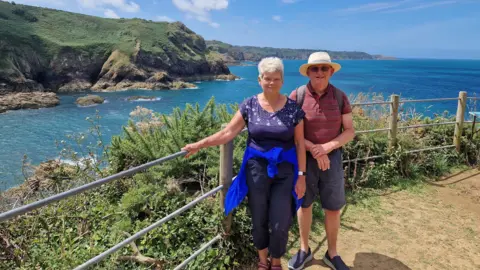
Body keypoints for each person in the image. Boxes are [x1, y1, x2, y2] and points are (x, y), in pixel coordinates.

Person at [182, 57, 307, 270]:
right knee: (258, 217)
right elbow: (228, 132)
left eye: (276, 79)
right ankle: (262, 260)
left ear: (282, 80)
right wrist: (199, 144)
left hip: (285, 170)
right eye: (267, 78)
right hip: (256, 169)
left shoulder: (293, 109)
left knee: (280, 222)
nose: (271, 83)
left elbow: (300, 143)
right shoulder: (249, 105)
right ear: (259, 79)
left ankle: (276, 262)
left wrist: (302, 176)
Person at [287, 52, 355, 270]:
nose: (319, 72)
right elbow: (289, 130)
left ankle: (332, 253)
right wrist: (315, 150)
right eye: (314, 69)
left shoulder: (340, 97)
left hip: (332, 158)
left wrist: (326, 148)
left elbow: (350, 131)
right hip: (303, 159)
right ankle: (304, 250)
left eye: (324, 68)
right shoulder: (296, 96)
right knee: (304, 205)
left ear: (331, 71)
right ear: (308, 72)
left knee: (333, 208)